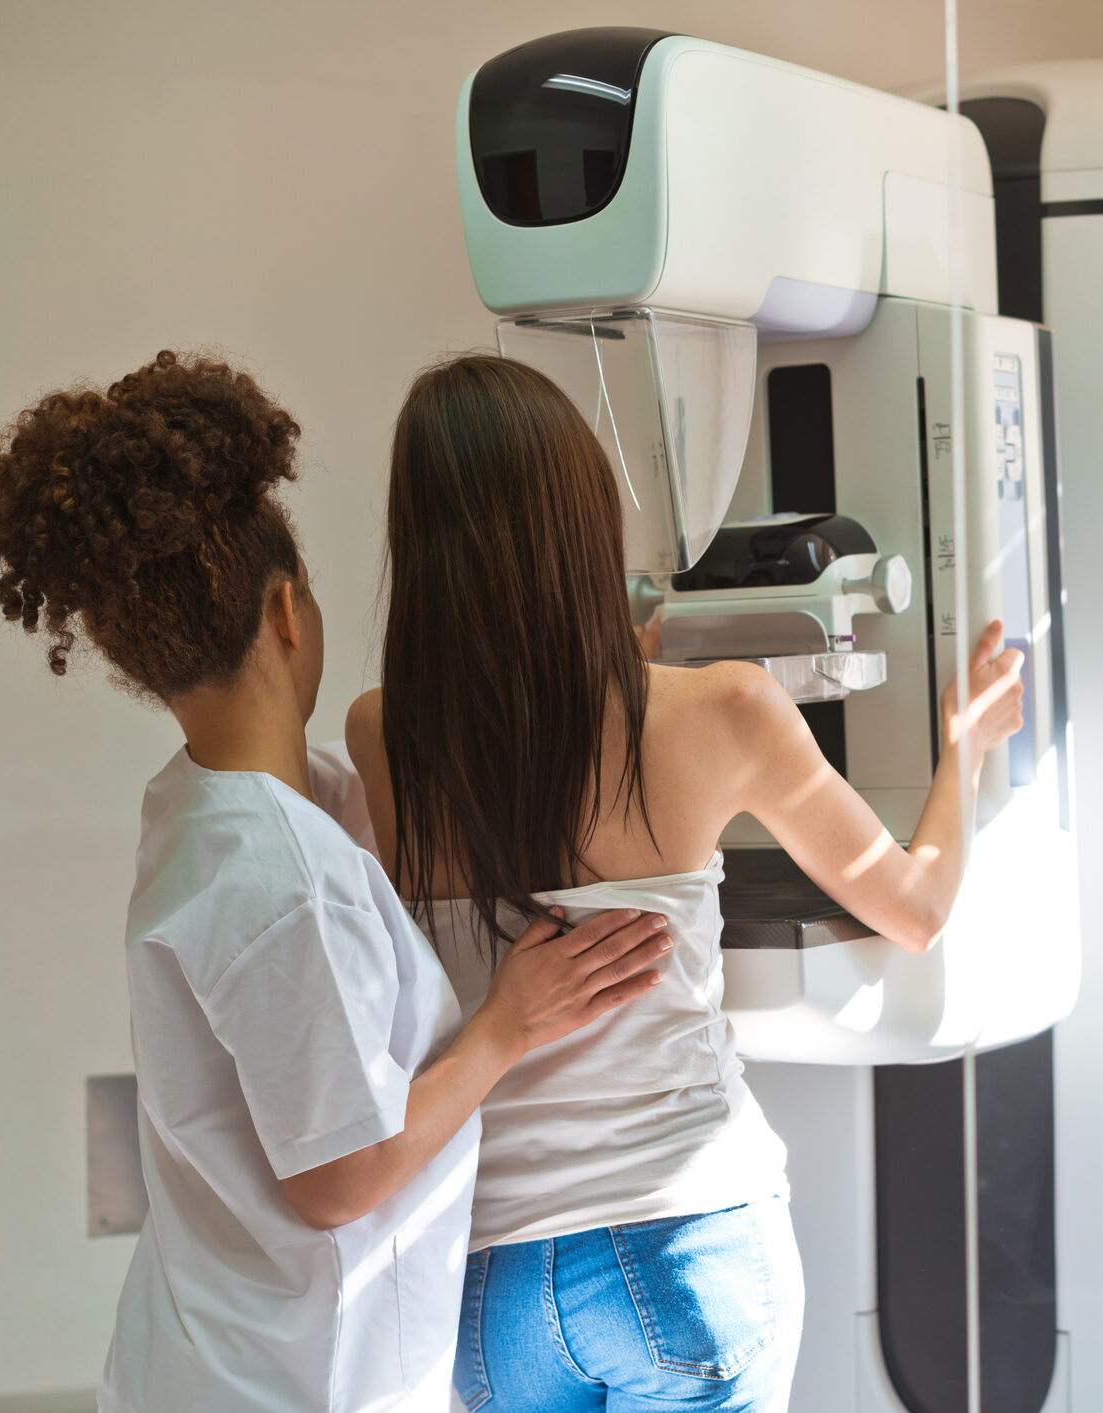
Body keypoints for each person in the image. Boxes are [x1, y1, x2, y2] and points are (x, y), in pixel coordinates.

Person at [0, 351, 672, 1413]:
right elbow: (338, 1180)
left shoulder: (202, 810)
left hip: (208, 1356)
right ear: (288, 611)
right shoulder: (282, 877)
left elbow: (358, 828)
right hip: (292, 1382)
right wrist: (506, 1026)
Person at [345, 353, 1026, 1413]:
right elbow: (917, 909)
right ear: (581, 528)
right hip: (690, 1248)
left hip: (494, 1290)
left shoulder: (381, 734)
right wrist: (963, 751)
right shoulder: (721, 712)